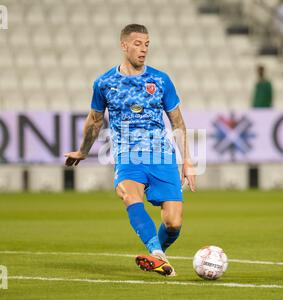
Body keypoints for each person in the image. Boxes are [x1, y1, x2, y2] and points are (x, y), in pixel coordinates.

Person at [64, 24, 196, 277]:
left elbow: (177, 122)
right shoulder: (104, 83)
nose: (143, 49)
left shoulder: (160, 80)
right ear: (123, 46)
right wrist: (82, 152)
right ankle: (157, 254)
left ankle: (159, 253)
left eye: (147, 44)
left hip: (161, 156)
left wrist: (187, 160)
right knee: (128, 194)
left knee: (173, 223)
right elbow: (94, 121)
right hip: (128, 156)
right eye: (137, 43)